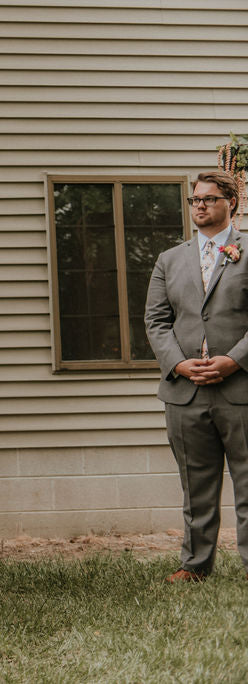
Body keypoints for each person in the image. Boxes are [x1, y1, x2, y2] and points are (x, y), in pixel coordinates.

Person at [145, 169, 248, 583]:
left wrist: (234, 360)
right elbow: (156, 321)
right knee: (196, 485)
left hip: (240, 387)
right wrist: (178, 364)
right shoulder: (169, 260)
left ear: (231, 204)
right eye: (195, 200)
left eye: (208, 198)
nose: (199, 205)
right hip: (185, 391)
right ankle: (195, 565)